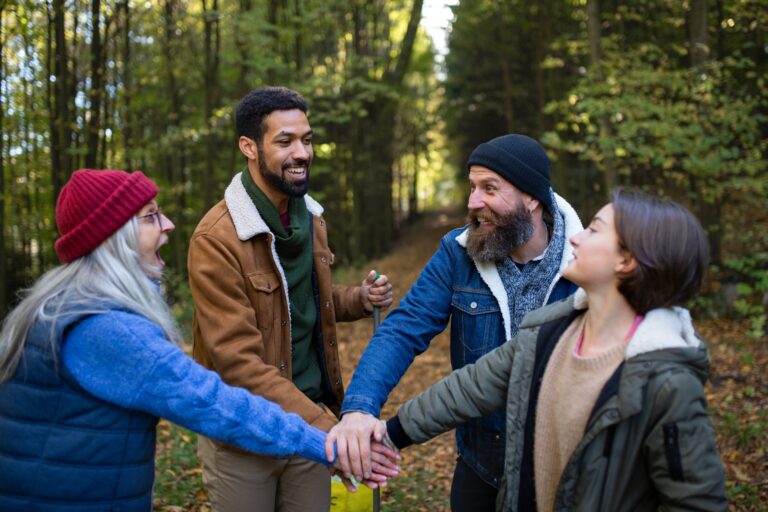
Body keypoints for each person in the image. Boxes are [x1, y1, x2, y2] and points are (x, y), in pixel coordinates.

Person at [0, 169, 397, 512]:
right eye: (151, 216)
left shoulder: (61, 306)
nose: (169, 224)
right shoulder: (107, 330)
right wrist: (328, 444)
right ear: (111, 240)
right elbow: (212, 402)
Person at [382, 188, 728, 511]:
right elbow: (471, 388)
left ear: (626, 261)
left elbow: (696, 501)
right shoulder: (549, 330)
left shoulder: (667, 384)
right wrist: (388, 435)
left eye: (594, 230)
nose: (575, 237)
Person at [327, 133, 583, 510]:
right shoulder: (459, 252)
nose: (473, 202)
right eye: (472, 187)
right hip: (482, 464)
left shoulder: (587, 261)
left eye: (489, 188)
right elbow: (405, 327)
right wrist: (359, 409)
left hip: (563, 471)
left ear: (532, 198)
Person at [187, 86, 394, 512]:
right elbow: (238, 364)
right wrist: (328, 431)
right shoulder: (217, 238)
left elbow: (300, 301)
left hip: (306, 424)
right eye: (285, 141)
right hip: (243, 432)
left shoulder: (309, 218)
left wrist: (358, 298)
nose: (302, 153)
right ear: (249, 147)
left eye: (307, 139)